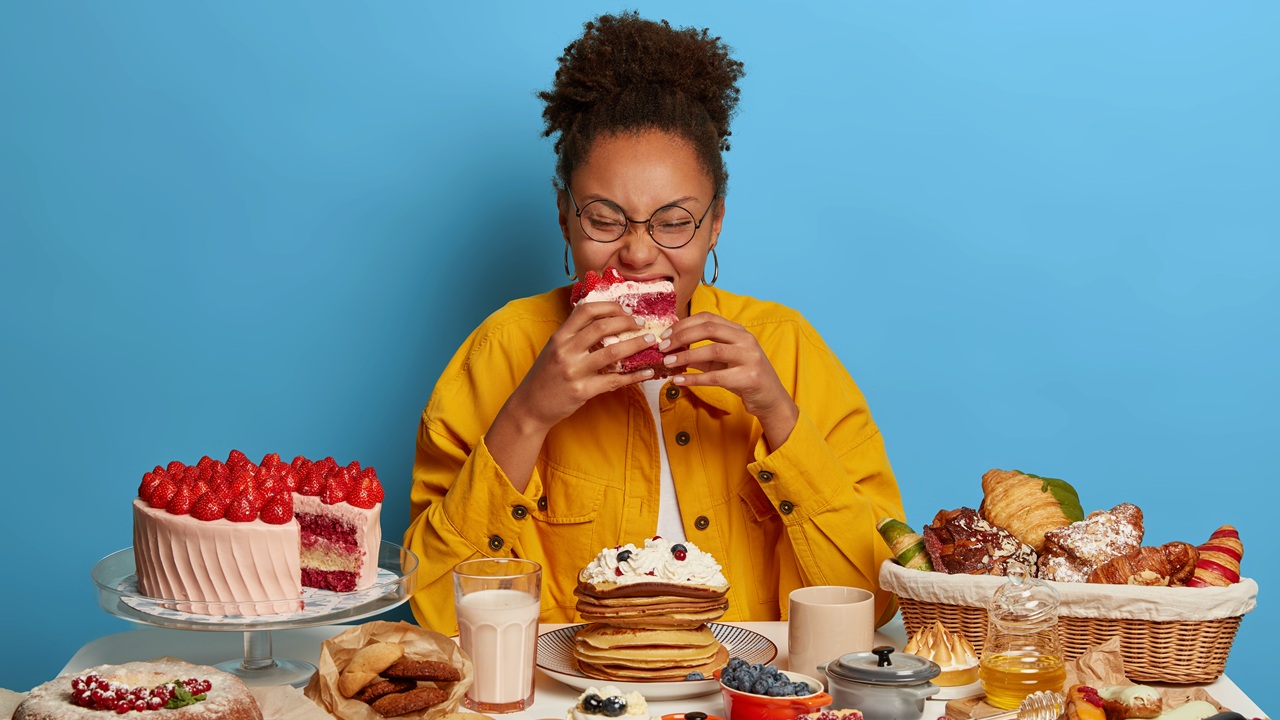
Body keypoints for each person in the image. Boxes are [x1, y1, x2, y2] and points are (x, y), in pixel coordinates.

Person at [404, 11, 905, 633]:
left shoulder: (787, 348)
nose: (639, 254)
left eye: (673, 222)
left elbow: (873, 603)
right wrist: (528, 414)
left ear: (715, 221)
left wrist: (777, 414)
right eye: (606, 219)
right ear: (564, 217)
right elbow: (434, 609)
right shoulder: (502, 349)